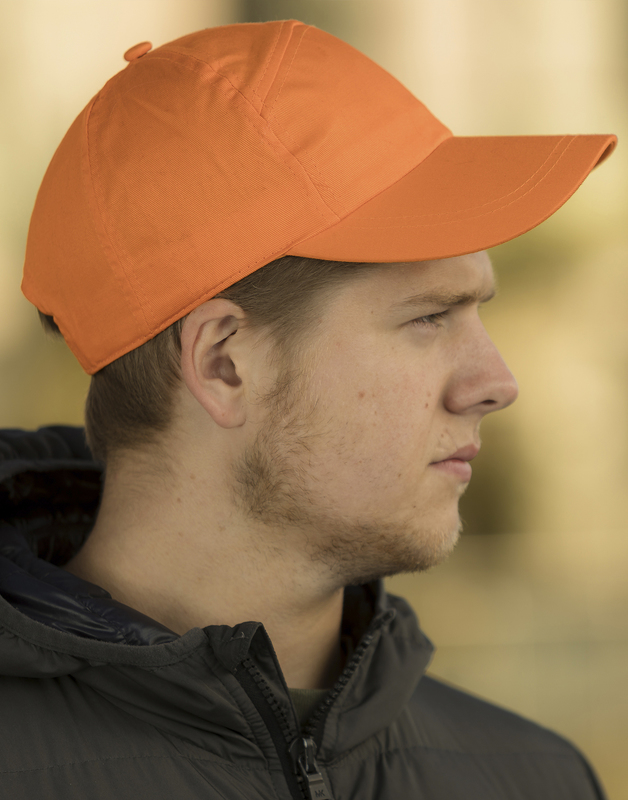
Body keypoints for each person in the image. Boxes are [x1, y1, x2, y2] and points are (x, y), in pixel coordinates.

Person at [0, 19, 617, 800]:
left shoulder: (536, 779)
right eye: (430, 317)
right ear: (224, 363)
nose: (496, 382)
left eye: (477, 313)